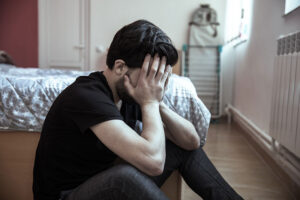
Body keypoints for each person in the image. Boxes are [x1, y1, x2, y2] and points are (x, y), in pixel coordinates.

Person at [33, 19, 243, 200]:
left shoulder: (132, 94)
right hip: (67, 195)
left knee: (180, 146)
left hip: (101, 187)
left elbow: (191, 141)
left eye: (158, 75)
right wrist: (150, 102)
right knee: (123, 177)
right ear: (119, 67)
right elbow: (154, 163)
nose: (154, 83)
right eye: (149, 74)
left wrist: (156, 101)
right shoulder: (86, 96)